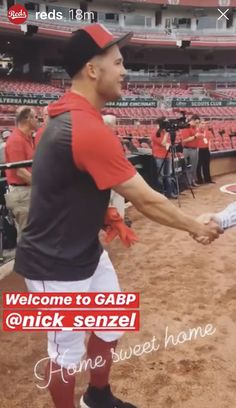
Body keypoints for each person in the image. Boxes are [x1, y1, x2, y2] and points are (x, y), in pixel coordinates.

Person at [13, 24, 221, 408]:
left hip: (85, 252)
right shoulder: (84, 127)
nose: (126, 71)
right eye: (119, 62)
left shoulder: (65, 118)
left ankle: (98, 396)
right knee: (65, 353)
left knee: (110, 324)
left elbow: (69, 187)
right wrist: (197, 227)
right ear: (93, 70)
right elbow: (147, 199)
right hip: (53, 264)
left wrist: (103, 216)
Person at [4, 106, 38, 239]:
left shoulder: (28, 138)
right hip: (21, 193)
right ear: (28, 119)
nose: (38, 120)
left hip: (28, 190)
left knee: (32, 234)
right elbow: (21, 172)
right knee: (27, 236)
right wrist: (42, 185)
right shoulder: (16, 140)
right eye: (35, 117)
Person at [151, 118, 177, 199]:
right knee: (160, 176)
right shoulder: (156, 132)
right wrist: (166, 134)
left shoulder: (165, 132)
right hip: (159, 156)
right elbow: (163, 143)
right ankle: (161, 194)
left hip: (167, 155)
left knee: (168, 175)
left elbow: (169, 142)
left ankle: (169, 193)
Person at [181, 115, 201, 187]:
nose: (197, 124)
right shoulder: (186, 127)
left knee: (194, 167)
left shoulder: (195, 128)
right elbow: (184, 140)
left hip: (195, 149)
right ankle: (188, 183)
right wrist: (195, 136)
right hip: (188, 149)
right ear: (192, 120)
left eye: (198, 123)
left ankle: (192, 181)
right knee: (188, 166)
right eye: (196, 122)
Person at [196, 120, 215, 184]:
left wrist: (209, 149)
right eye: (202, 123)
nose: (203, 125)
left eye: (204, 123)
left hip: (206, 150)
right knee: (199, 165)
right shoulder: (197, 131)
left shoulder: (207, 132)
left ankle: (208, 179)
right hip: (199, 150)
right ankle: (200, 180)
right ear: (199, 124)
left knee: (206, 165)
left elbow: (209, 141)